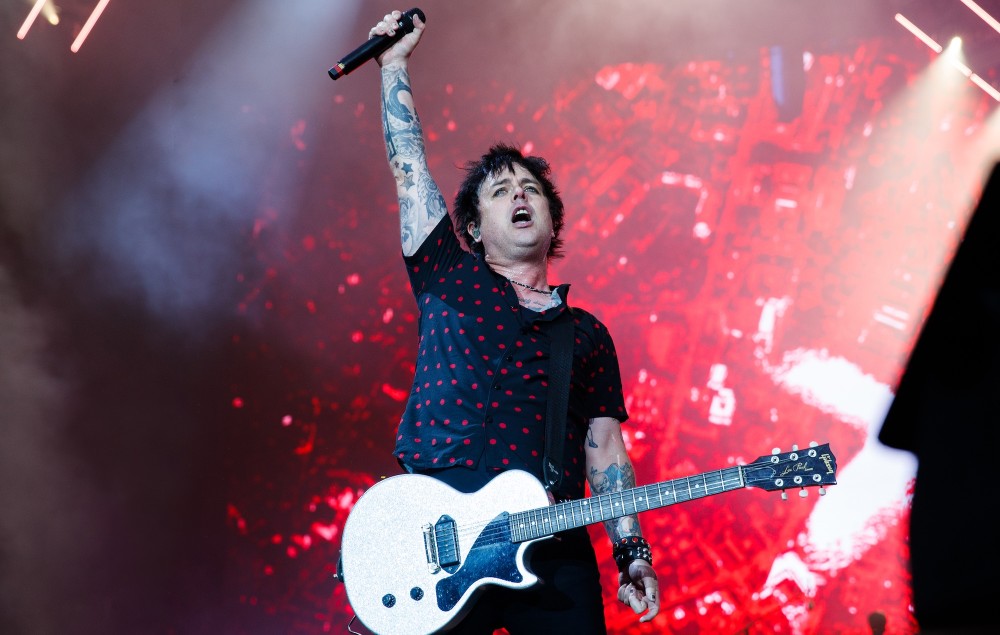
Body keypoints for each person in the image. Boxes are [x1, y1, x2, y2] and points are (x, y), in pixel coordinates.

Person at [367, 9, 660, 634]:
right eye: (500, 191)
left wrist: (630, 549)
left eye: (530, 189)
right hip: (436, 526)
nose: (520, 195)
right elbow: (409, 169)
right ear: (473, 227)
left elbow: (604, 448)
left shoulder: (585, 334)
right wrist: (394, 65)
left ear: (552, 221)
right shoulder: (448, 274)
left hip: (549, 538)